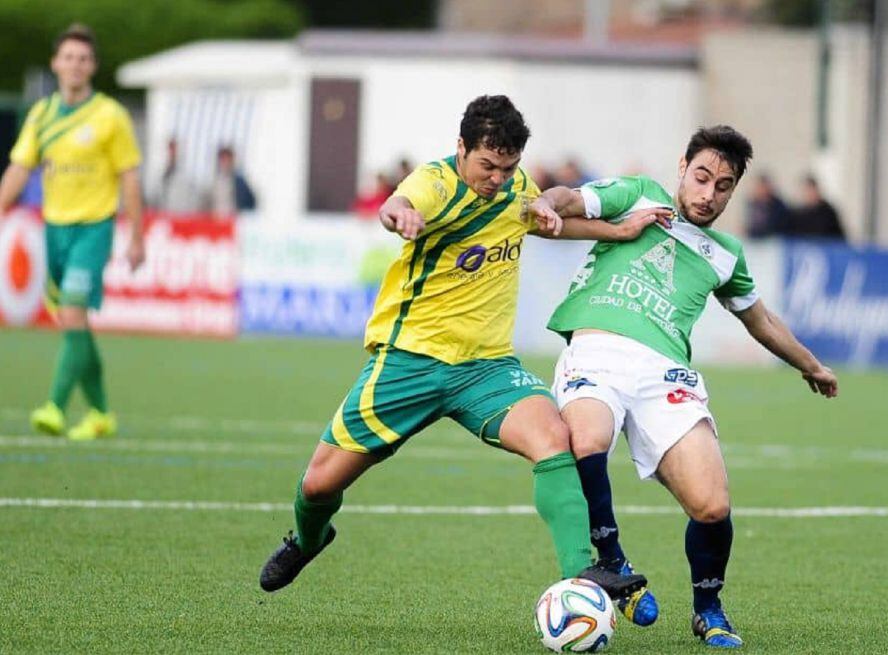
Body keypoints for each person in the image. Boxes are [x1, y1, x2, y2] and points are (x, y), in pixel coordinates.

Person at [257, 95, 652, 601]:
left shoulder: (516, 189)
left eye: (508, 168)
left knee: (554, 438)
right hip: (409, 363)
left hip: (485, 369)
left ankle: (581, 573)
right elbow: (397, 204)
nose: (498, 178)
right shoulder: (435, 182)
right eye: (487, 166)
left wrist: (618, 231)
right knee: (318, 486)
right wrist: (399, 216)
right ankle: (309, 538)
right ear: (461, 147)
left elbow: (541, 221)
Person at [531, 125, 839, 648]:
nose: (708, 193)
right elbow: (571, 199)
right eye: (701, 177)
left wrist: (811, 365)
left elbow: (760, 320)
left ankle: (708, 609)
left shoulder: (726, 254)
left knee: (713, 505)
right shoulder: (638, 194)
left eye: (723, 186)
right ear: (683, 167)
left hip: (664, 374)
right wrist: (545, 201)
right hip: (597, 350)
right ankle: (611, 563)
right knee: (586, 438)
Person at [0, 24, 145, 440]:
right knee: (72, 320)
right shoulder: (42, 114)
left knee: (73, 311)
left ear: (93, 66)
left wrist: (137, 236)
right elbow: (19, 167)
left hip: (93, 228)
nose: (75, 65)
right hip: (54, 230)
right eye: (68, 57)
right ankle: (100, 413)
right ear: (55, 63)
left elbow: (130, 177)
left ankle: (55, 407)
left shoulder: (109, 116)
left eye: (83, 58)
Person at [788, 175, 845, 240]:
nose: (808, 194)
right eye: (805, 191)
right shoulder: (798, 214)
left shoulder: (828, 212)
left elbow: (839, 238)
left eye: (810, 190)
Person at [154, 137, 201, 213]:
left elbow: (193, 199)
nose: (171, 153)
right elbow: (156, 197)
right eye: (170, 150)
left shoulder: (187, 174)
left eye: (174, 150)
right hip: (165, 216)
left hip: (181, 216)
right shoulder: (162, 173)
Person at [207, 145, 256, 216]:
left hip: (232, 219)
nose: (225, 163)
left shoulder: (239, 181)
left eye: (227, 159)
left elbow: (251, 202)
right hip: (215, 219)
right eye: (223, 159)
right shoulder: (215, 180)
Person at [744, 173, 788, 238]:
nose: (760, 190)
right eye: (758, 187)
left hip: (773, 240)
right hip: (754, 239)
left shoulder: (778, 205)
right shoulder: (752, 203)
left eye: (762, 187)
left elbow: (775, 227)